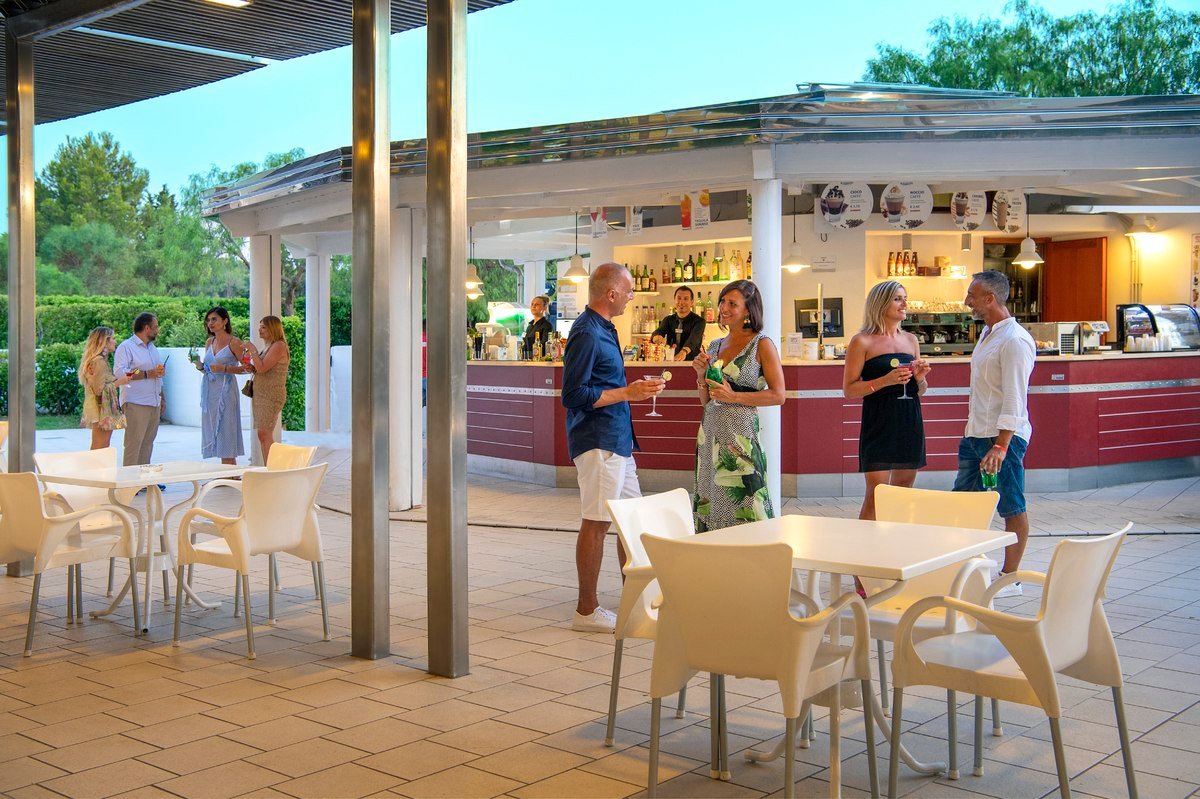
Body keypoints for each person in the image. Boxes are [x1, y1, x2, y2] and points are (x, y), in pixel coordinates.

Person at [562, 262, 664, 632]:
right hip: (598, 441)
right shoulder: (587, 332)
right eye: (629, 290)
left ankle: (635, 601)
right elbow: (573, 394)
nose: (632, 296)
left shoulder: (605, 327)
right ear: (611, 293)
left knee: (631, 520)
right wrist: (628, 393)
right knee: (597, 523)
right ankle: (586, 611)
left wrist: (631, 392)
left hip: (618, 439)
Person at [954, 270, 1036, 598]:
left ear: (990, 299)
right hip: (976, 435)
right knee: (964, 504)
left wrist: (1001, 446)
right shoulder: (988, 334)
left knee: (1011, 505)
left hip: (1001, 441)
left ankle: (1010, 578)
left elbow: (1015, 397)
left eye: (972, 296)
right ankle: (966, 569)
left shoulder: (1014, 340)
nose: (967, 301)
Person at [690, 280, 785, 532]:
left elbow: (778, 395)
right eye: (722, 301)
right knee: (711, 501)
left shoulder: (761, 344)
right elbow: (707, 401)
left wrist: (734, 397)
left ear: (748, 310)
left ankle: (753, 552)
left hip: (741, 436)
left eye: (732, 303)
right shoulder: (714, 345)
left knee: (746, 500)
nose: (724, 308)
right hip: (710, 434)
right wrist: (700, 376)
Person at [843, 280, 931, 521]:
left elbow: (920, 390)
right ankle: (864, 543)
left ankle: (895, 541)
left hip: (909, 421)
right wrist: (884, 381)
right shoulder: (862, 341)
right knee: (877, 495)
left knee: (903, 493)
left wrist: (920, 378)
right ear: (880, 303)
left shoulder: (911, 340)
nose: (904, 304)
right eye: (897, 298)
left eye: (905, 298)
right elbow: (849, 390)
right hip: (879, 422)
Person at [114, 312, 166, 466]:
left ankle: (143, 477)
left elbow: (157, 375)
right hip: (136, 402)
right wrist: (146, 374)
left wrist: (162, 396)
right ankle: (130, 480)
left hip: (154, 402)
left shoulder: (152, 348)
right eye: (155, 327)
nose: (157, 330)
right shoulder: (126, 347)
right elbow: (121, 374)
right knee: (133, 444)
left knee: (147, 444)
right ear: (147, 328)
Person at [195, 306, 245, 464]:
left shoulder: (234, 342)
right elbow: (207, 370)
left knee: (226, 432)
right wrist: (198, 364)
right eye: (208, 320)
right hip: (210, 393)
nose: (210, 323)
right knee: (214, 432)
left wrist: (225, 369)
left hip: (227, 392)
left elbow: (248, 368)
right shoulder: (209, 342)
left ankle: (230, 472)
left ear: (225, 321)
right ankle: (227, 472)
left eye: (214, 319)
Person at [244, 315, 290, 465]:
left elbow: (262, 368)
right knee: (262, 434)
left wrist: (253, 350)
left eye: (263, 327)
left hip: (271, 395)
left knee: (265, 434)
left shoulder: (279, 345)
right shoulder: (269, 346)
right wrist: (252, 367)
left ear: (273, 329)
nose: (260, 330)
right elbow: (262, 368)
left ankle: (272, 469)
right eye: (260, 327)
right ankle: (269, 468)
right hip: (261, 394)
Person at [79, 326, 132, 449]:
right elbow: (99, 389)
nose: (115, 341)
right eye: (113, 338)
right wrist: (120, 382)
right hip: (101, 409)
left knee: (101, 446)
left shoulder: (98, 360)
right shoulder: (98, 362)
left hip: (100, 408)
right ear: (105, 341)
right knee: (100, 447)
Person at [651, 285, 705, 361]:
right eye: (679, 298)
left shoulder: (699, 321)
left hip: (692, 363)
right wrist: (656, 337)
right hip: (671, 362)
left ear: (692, 302)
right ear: (674, 300)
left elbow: (693, 340)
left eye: (685, 299)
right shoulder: (668, 320)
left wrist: (683, 352)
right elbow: (659, 331)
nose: (681, 302)